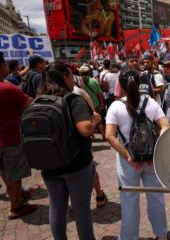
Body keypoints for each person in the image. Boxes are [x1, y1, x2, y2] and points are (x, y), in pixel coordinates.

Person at [38, 61, 101, 239]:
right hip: (76, 165)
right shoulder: (73, 99)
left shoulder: (39, 100)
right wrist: (95, 120)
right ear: (65, 77)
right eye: (71, 75)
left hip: (49, 165)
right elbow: (85, 129)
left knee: (57, 209)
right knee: (81, 210)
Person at [105, 70, 169, 240]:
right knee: (156, 197)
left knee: (129, 200)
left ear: (121, 85)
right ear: (140, 82)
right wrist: (156, 149)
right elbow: (165, 126)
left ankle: (129, 237)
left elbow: (109, 135)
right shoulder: (151, 103)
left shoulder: (115, 106)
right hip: (151, 159)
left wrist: (128, 156)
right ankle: (161, 234)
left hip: (128, 162)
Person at [0, 51, 37, 220]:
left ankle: (16, 198)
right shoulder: (6, 88)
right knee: (15, 176)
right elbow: (30, 105)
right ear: (0, 67)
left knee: (6, 173)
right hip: (11, 139)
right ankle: (15, 207)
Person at [79, 64, 105, 140]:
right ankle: (103, 135)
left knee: (89, 120)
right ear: (88, 72)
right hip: (95, 103)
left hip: (84, 104)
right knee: (99, 119)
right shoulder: (94, 80)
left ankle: (92, 136)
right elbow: (99, 93)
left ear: (80, 73)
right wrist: (102, 102)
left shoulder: (79, 82)